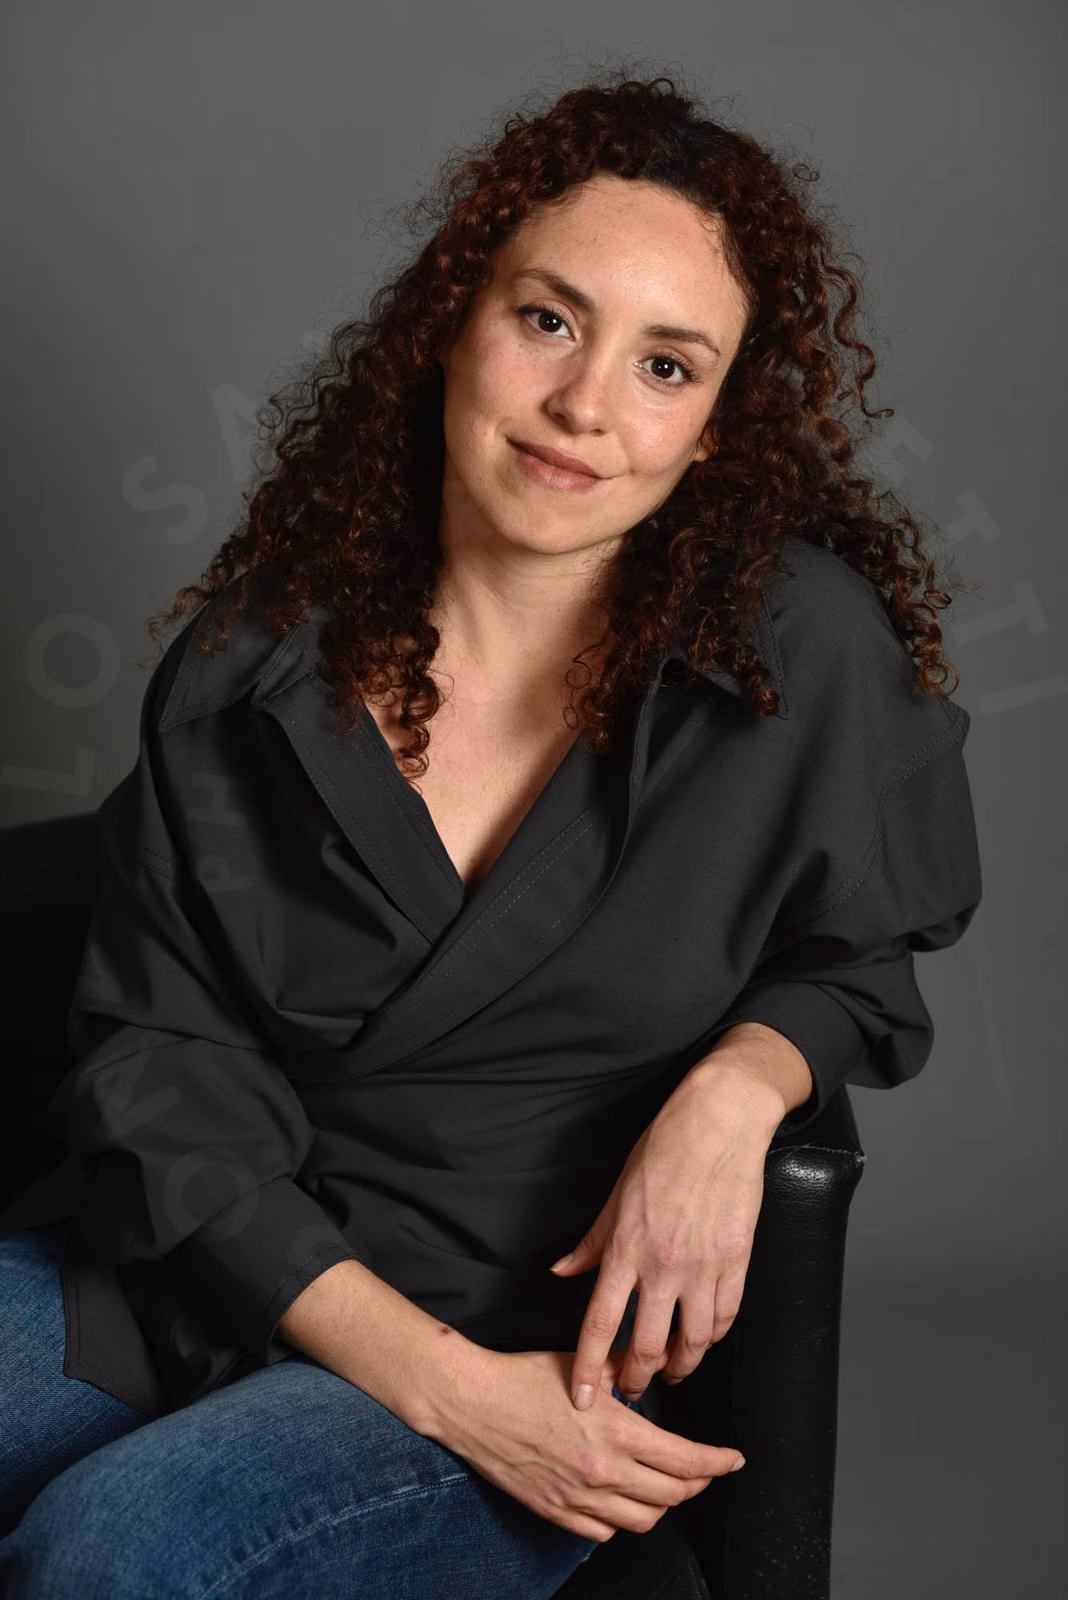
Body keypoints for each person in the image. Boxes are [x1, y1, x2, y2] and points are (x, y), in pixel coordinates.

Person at [0, 70, 982, 1598]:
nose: (587, 405)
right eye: (548, 320)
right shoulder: (255, 656)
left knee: (108, 1553)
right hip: (199, 1271)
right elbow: (155, 1072)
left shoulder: (799, 654)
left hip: (537, 1335)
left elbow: (859, 953)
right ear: (454, 323)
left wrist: (739, 1085)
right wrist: (442, 1387)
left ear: (713, 430)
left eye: (667, 365)